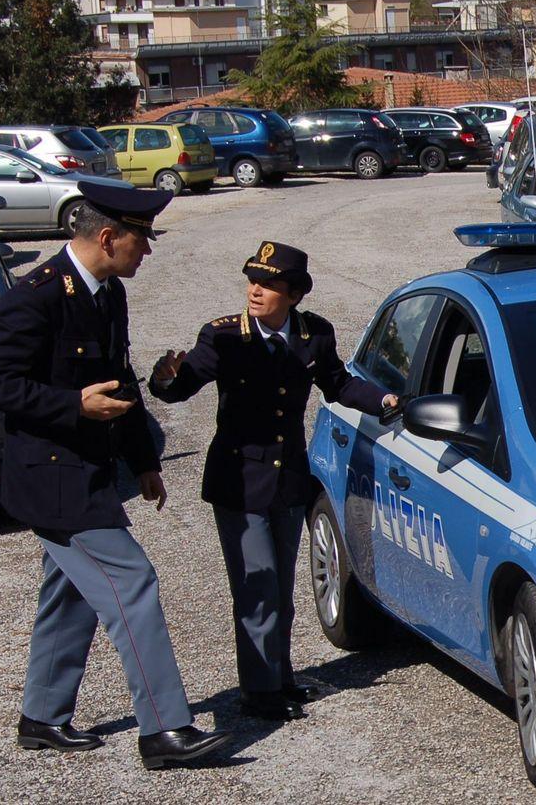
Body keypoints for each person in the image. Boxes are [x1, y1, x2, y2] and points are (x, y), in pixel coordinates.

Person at [0, 182, 230, 770]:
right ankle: (164, 731)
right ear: (107, 237)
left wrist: (143, 460)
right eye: (142, 239)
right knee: (132, 583)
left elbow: (121, 381)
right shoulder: (35, 297)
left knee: (71, 595)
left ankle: (42, 716)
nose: (148, 250)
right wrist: (72, 406)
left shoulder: (108, 293)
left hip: (90, 476)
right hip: (52, 481)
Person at [149, 241, 397, 721]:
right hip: (239, 481)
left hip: (287, 480)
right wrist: (165, 380)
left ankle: (279, 677)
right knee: (255, 585)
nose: (255, 291)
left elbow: (338, 383)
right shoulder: (224, 336)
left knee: (281, 588)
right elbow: (184, 384)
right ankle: (258, 691)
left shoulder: (313, 335)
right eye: (251, 282)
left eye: (267, 284)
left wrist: (384, 400)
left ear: (295, 294)